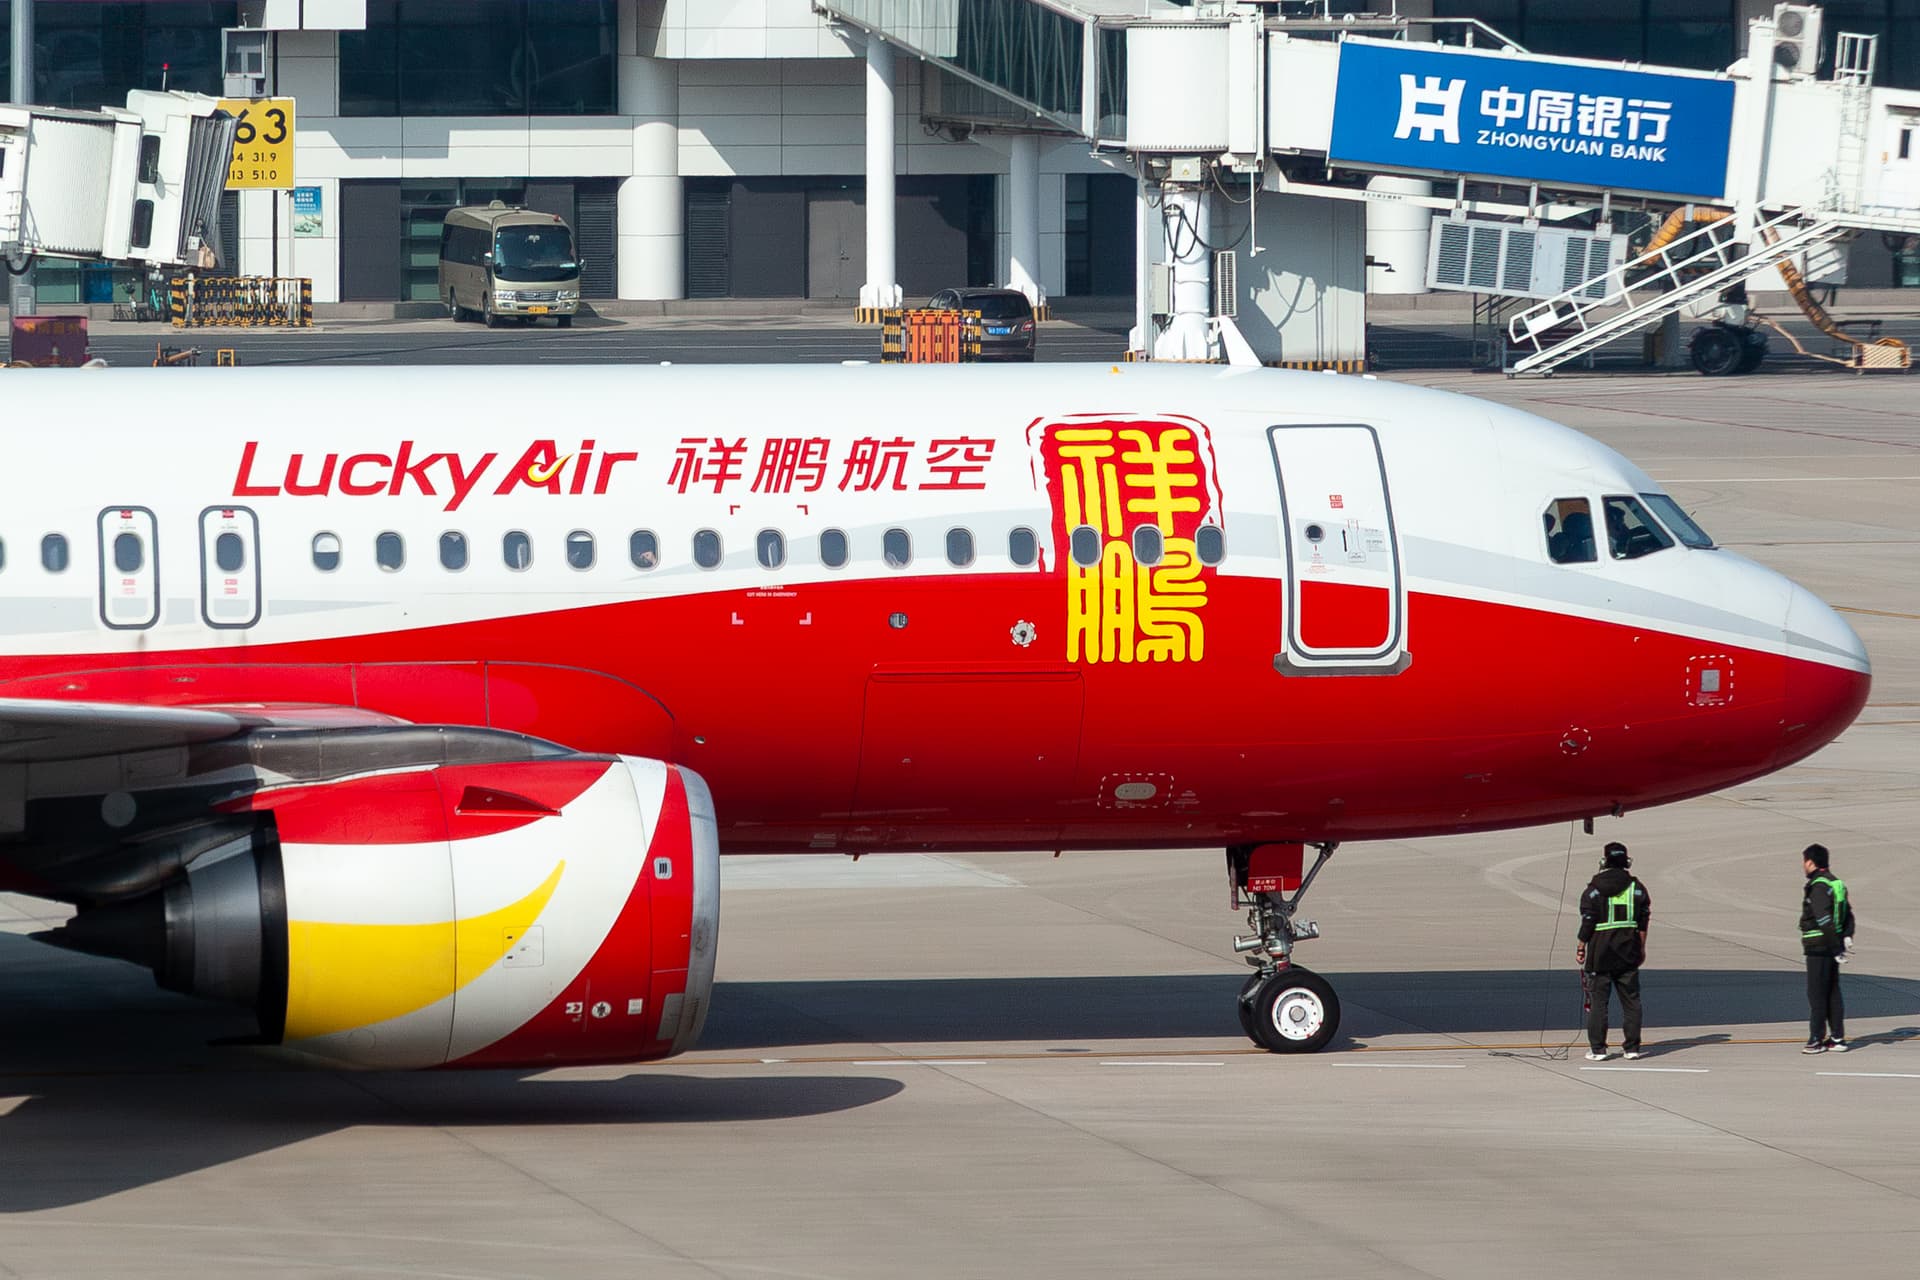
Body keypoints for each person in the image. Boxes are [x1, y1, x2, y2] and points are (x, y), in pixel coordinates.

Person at [1575, 841, 1651, 1061]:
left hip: (1600, 954)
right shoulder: (1637, 888)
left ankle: (1598, 1049)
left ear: (1604, 861)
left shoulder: (1592, 891)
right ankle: (1632, 1048)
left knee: (1599, 1003)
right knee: (1631, 1002)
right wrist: (1641, 948)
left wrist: (1581, 946)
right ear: (1626, 861)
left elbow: (1588, 922)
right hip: (1628, 951)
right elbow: (1643, 921)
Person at [1799, 843, 1855, 1054]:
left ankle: (1816, 1039)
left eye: (1804, 861)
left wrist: (1835, 947)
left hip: (1819, 946)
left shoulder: (1819, 886)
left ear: (1811, 862)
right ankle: (1837, 1038)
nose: (1803, 866)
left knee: (1817, 994)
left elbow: (1823, 919)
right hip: (1832, 944)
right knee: (1832, 992)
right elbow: (1848, 913)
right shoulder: (1836, 883)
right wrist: (1847, 935)